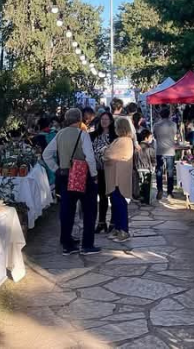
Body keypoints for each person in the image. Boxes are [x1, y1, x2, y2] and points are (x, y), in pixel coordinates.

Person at [42, 108, 100, 256]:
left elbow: (46, 154)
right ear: (79, 119)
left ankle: (67, 244)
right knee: (89, 210)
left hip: (65, 175)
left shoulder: (60, 134)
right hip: (83, 176)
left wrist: (56, 169)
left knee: (67, 210)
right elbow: (89, 157)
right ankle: (87, 244)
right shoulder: (83, 134)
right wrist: (94, 175)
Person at [104, 118, 136, 242]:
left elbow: (109, 154)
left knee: (120, 203)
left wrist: (104, 151)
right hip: (115, 175)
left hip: (119, 177)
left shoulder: (124, 141)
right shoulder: (121, 140)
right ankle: (118, 228)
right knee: (115, 203)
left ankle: (124, 230)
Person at [89, 111, 116, 233]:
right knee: (102, 196)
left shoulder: (115, 136)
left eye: (106, 119)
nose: (104, 121)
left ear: (111, 121)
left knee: (113, 195)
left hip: (111, 169)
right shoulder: (94, 135)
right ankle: (101, 222)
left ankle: (113, 221)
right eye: (102, 119)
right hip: (98, 169)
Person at [153, 106, 177, 200]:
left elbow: (155, 136)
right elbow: (174, 135)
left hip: (160, 150)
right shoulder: (173, 124)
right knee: (170, 171)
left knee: (159, 171)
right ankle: (170, 192)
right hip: (170, 150)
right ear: (169, 115)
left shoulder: (156, 125)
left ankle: (160, 190)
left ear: (160, 115)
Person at [135, 129, 156, 205]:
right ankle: (146, 201)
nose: (151, 139)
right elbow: (153, 158)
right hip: (147, 168)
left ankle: (141, 198)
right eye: (150, 137)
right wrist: (154, 166)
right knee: (147, 184)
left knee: (140, 184)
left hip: (139, 168)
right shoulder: (150, 148)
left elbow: (135, 158)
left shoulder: (137, 147)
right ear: (146, 138)